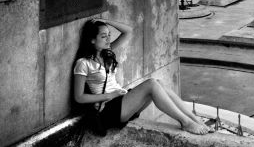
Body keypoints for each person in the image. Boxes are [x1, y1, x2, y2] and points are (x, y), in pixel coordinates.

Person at [73, 17, 209, 134]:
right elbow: (79, 97)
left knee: (158, 83)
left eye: (109, 35)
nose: (108, 39)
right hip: (108, 111)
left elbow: (128, 31)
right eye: (103, 36)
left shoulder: (106, 52)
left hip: (122, 102)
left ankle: (193, 118)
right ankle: (185, 123)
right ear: (92, 40)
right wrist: (109, 95)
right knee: (151, 84)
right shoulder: (83, 63)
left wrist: (105, 21)